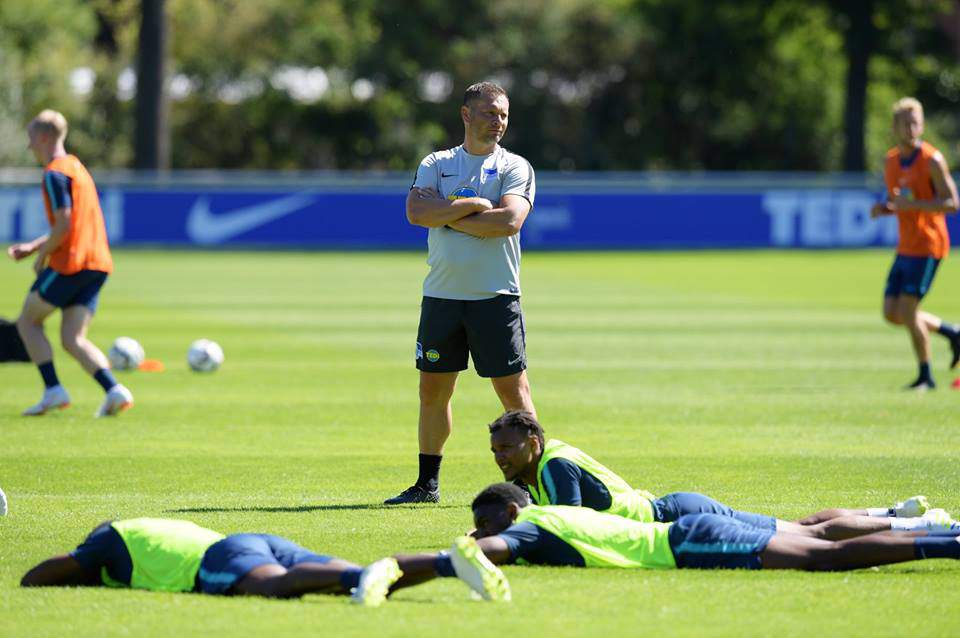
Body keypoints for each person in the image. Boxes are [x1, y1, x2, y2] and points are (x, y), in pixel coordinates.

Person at [386, 81, 537, 504]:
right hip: (443, 297)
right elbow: (416, 212)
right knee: (433, 393)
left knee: (514, 395)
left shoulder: (515, 167)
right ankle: (426, 485)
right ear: (466, 114)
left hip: (496, 296)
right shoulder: (437, 162)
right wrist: (471, 208)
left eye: (503, 114)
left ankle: (531, 483)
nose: (498, 122)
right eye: (490, 113)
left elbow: (508, 221)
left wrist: (447, 215)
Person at [487, 411, 955, 539]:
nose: (500, 457)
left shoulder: (555, 465)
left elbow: (568, 522)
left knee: (811, 535)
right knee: (803, 528)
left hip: (677, 516)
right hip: (675, 512)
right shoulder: (541, 465)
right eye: (494, 451)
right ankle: (893, 513)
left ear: (533, 441)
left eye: (506, 448)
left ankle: (916, 526)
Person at [466, 482, 960, 572]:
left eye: (483, 523)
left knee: (820, 554)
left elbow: (493, 550)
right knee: (814, 537)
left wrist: (470, 546)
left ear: (510, 515)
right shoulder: (545, 513)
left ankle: (939, 540)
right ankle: (938, 534)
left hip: (684, 537)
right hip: (685, 523)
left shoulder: (529, 525)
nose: (480, 531)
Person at [21, 517, 510, 606]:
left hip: (220, 557)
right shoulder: (145, 528)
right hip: (251, 538)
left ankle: (363, 574)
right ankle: (449, 563)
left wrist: (88, 565)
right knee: (346, 582)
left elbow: (36, 577)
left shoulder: (106, 543)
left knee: (272, 587)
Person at [7, 110, 133, 416]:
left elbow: (63, 225)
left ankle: (53, 390)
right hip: (97, 264)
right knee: (72, 339)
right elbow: (71, 223)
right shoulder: (77, 168)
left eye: (31, 139)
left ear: (44, 137)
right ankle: (114, 389)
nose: (29, 146)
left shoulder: (54, 173)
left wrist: (42, 255)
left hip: (71, 263)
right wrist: (35, 245)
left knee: (27, 321)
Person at [870, 97, 960, 391]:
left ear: (921, 125)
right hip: (905, 246)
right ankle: (951, 332)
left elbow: (952, 203)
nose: (911, 129)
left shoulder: (932, 160)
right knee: (891, 313)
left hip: (928, 244)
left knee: (908, 311)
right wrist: (886, 209)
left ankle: (926, 376)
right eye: (905, 123)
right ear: (894, 127)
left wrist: (915, 206)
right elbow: (899, 201)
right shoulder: (891, 161)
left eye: (915, 123)